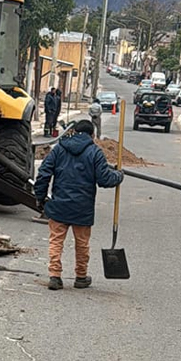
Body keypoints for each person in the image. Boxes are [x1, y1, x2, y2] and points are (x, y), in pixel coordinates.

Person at [33, 119, 124, 291]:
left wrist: (40, 197)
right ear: (92, 135)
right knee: (82, 243)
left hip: (59, 204)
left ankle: (55, 276)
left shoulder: (59, 149)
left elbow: (43, 173)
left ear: (73, 131)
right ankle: (81, 277)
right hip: (82, 207)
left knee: (56, 241)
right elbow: (105, 179)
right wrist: (119, 176)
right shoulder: (95, 152)